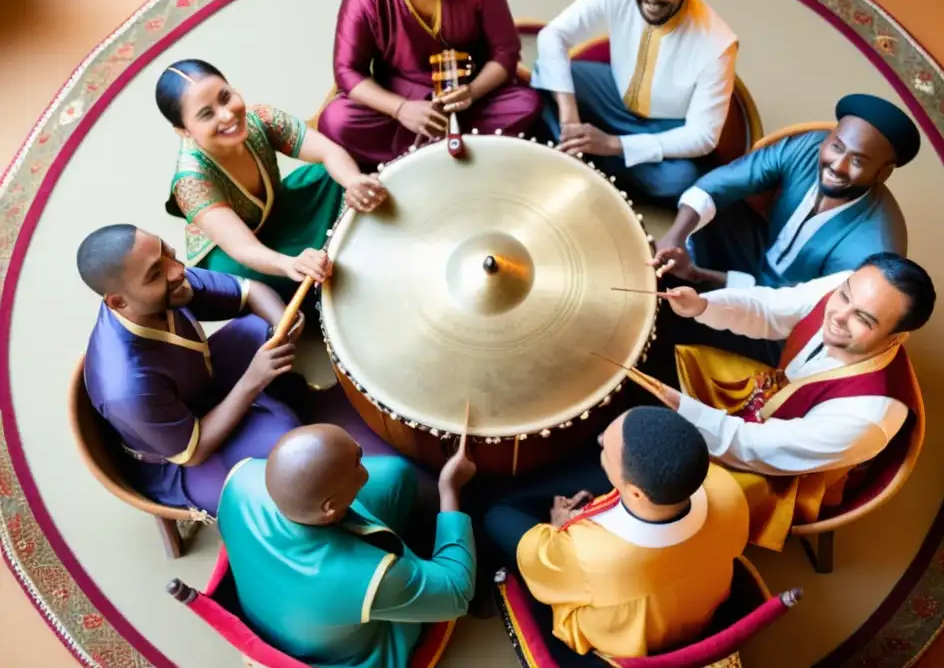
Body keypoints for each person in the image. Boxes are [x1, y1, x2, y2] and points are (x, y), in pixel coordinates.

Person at [654, 252, 934, 551]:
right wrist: (704, 305)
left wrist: (683, 414)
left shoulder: (869, 416)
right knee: (675, 356)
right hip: (774, 400)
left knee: (671, 482)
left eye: (862, 318)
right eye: (844, 296)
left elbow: (755, 447)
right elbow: (771, 309)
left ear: (894, 339)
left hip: (788, 467)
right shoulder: (845, 286)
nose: (838, 316)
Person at [644, 92, 921, 367]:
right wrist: (675, 237)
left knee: (672, 328)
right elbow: (723, 182)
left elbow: (791, 311)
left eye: (858, 161)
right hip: (757, 254)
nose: (838, 165)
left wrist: (700, 276)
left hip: (781, 325)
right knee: (717, 205)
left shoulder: (875, 247)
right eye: (837, 147)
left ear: (882, 173)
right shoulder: (807, 147)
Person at [483, 407, 748, 660]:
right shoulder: (727, 490)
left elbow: (540, 562)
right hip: (690, 604)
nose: (600, 439)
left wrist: (557, 527)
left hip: (619, 637)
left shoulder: (589, 554)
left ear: (635, 493)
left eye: (606, 448)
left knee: (497, 513)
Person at [79, 224, 303, 516]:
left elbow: (250, 292)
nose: (177, 270)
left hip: (201, 382)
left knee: (263, 327)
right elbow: (194, 452)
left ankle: (269, 399)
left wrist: (282, 321)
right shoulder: (125, 387)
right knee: (291, 456)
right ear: (118, 301)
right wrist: (252, 382)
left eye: (167, 252)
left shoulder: (166, 283)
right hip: (179, 459)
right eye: (155, 273)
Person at [218, 423, 477, 667]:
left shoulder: (241, 477)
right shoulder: (363, 577)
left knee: (395, 474)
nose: (359, 447)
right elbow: (457, 592)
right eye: (358, 458)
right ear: (329, 508)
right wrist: (449, 490)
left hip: (281, 603)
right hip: (353, 647)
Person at [318, 0, 541, 168]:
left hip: (469, 101)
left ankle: (424, 154)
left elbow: (505, 53)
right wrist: (401, 109)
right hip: (400, 106)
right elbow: (347, 71)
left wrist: (471, 91)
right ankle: (456, 152)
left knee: (526, 104)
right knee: (336, 120)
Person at [532, 0, 738, 203]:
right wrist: (570, 118)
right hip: (613, 95)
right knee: (546, 71)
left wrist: (614, 144)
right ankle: (578, 145)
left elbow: (703, 136)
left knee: (681, 179)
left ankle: (591, 157)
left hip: (663, 125)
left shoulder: (718, 44)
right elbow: (553, 36)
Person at [158, 59, 388, 302]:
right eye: (206, 114)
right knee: (237, 278)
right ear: (183, 130)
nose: (227, 115)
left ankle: (331, 256)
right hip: (244, 253)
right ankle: (317, 274)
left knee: (331, 174)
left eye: (226, 97)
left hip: (279, 213)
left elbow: (326, 151)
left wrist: (353, 182)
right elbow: (244, 248)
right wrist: (290, 264)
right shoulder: (190, 181)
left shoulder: (260, 117)